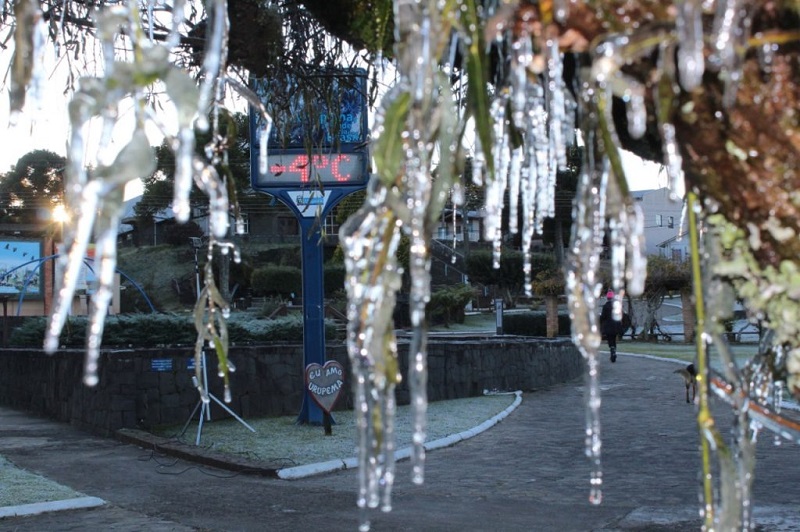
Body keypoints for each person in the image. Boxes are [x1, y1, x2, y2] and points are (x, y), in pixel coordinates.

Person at [600, 290, 621, 363]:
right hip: (615, 325)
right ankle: (614, 350)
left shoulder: (605, 306)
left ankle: (612, 349)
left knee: (610, 339)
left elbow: (603, 317)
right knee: (614, 339)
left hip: (608, 326)